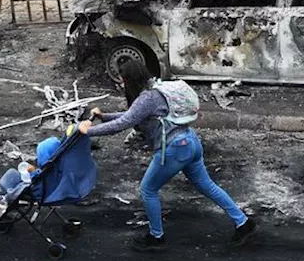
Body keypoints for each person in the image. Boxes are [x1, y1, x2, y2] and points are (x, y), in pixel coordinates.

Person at [79, 61, 257, 251]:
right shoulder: (155, 89)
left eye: (123, 81)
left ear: (130, 80)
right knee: (207, 186)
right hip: (190, 142)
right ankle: (243, 223)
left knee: (148, 190)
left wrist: (88, 131)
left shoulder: (147, 98)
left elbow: (124, 122)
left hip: (175, 149)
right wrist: (104, 116)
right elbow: (132, 115)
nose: (122, 85)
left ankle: (156, 237)